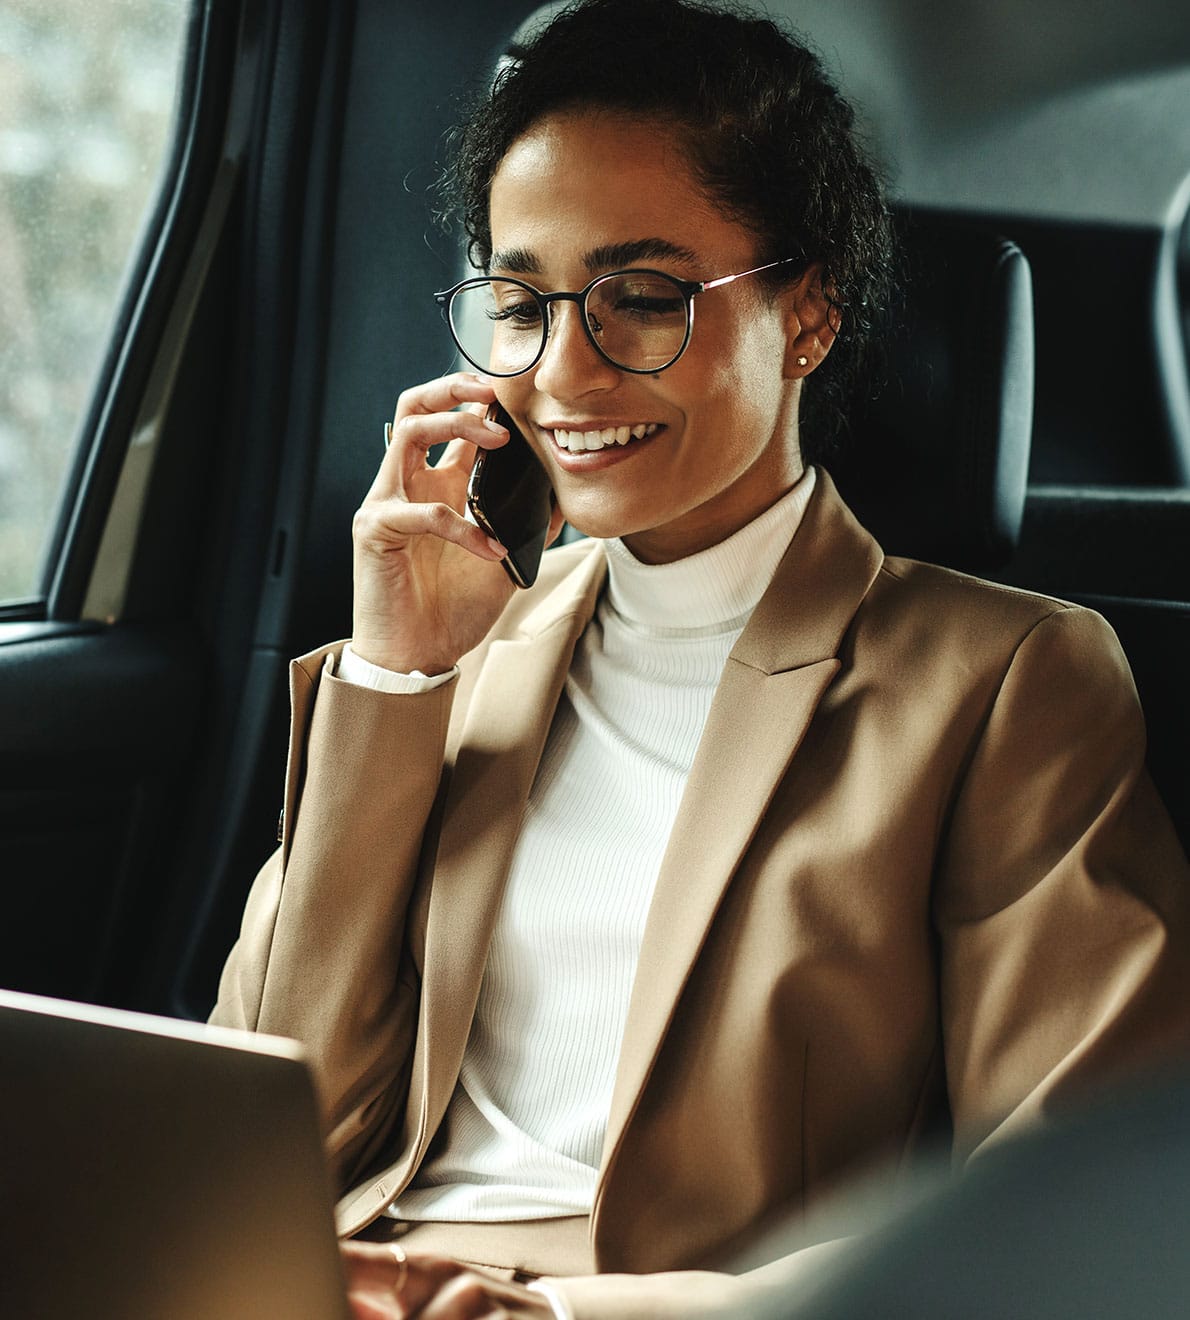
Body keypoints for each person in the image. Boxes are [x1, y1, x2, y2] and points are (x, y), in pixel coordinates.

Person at [210, 1, 1190, 1316]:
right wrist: (398, 681)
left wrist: (555, 1313)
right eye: (519, 304)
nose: (560, 373)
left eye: (641, 299)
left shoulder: (1005, 679)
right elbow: (269, 1136)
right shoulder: (460, 648)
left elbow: (1067, 1206)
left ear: (807, 317)